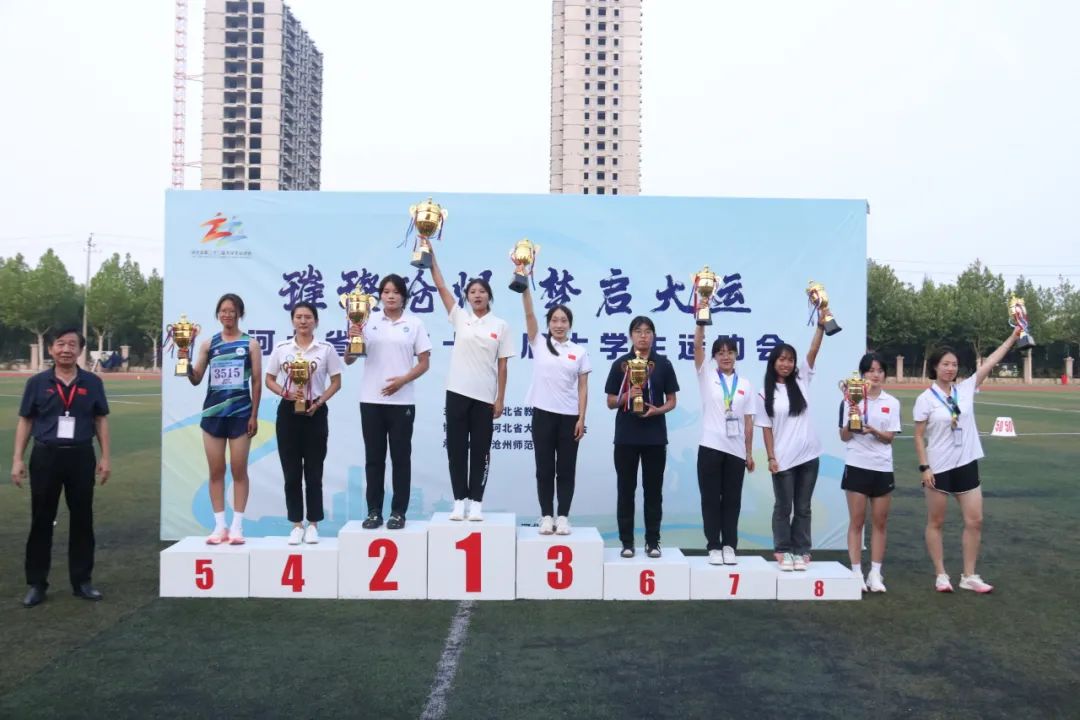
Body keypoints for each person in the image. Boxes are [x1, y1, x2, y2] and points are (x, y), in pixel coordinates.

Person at [913, 328, 1021, 594]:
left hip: (967, 462)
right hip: (938, 466)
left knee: (975, 521)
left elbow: (991, 361)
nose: (950, 368)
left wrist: (1013, 337)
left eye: (954, 364)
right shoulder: (925, 399)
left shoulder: (965, 388)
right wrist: (925, 467)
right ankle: (941, 574)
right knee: (936, 522)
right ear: (935, 367)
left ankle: (969, 575)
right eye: (945, 364)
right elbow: (918, 436)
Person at [11, 328, 111, 607]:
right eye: (61, 344)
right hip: (45, 457)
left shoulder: (92, 382)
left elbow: (100, 419)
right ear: (51, 349)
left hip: (81, 456)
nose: (66, 349)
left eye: (72, 344)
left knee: (82, 520)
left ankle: (82, 581)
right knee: (41, 520)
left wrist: (105, 457)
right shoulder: (36, 383)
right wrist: (17, 458)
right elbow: (26, 420)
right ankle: (36, 584)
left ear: (80, 350)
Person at [429, 247, 514, 521]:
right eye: (472, 291)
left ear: (490, 296)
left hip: (484, 397)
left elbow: (503, 366)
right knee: (456, 450)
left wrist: (500, 399)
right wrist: (430, 253)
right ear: (466, 296)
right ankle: (459, 501)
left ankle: (476, 501)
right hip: (456, 392)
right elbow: (441, 285)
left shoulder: (500, 326)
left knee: (480, 450)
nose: (477, 295)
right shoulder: (460, 318)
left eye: (482, 291)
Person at [346, 274, 432, 530]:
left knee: (401, 459)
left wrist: (403, 380)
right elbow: (349, 360)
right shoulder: (367, 320)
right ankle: (374, 511)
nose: (391, 296)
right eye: (386, 291)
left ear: (404, 296)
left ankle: (398, 512)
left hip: (402, 402)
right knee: (374, 459)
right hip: (371, 400)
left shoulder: (414, 323)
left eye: (396, 292)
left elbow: (424, 363)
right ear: (379, 296)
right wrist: (353, 339)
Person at [266, 302, 343, 544]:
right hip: (288, 412)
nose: (303, 321)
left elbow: (336, 382)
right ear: (292, 321)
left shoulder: (326, 349)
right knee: (291, 473)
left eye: (308, 317)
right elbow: (269, 379)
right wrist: (285, 393)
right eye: (298, 317)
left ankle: (313, 524)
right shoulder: (282, 348)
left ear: (316, 322)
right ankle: (296, 524)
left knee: (314, 472)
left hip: (315, 412)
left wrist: (319, 402)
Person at [187, 293, 262, 545]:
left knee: (239, 470)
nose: (227, 314)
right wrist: (184, 360)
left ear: (240, 313)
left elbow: (257, 382)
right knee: (216, 471)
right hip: (213, 415)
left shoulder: (251, 345)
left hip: (240, 415)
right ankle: (220, 526)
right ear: (218, 314)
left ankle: (237, 526)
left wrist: (254, 415)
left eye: (231, 310)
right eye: (223, 310)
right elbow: (197, 377)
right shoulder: (209, 344)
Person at [604, 316, 679, 558]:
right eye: (638, 331)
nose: (643, 336)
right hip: (626, 437)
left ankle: (653, 542)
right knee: (625, 491)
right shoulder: (621, 364)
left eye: (647, 331)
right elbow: (610, 401)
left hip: (655, 438)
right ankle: (627, 542)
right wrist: (626, 396)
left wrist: (658, 410)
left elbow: (672, 401)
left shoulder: (663, 364)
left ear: (653, 336)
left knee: (653, 492)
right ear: (631, 335)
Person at [755, 318, 826, 571]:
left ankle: (801, 549)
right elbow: (766, 428)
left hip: (809, 456)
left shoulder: (802, 380)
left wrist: (820, 327)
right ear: (773, 362)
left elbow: (813, 350)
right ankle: (783, 549)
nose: (786, 364)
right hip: (783, 459)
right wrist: (771, 457)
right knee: (784, 507)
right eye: (782, 359)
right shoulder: (764, 392)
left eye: (790, 360)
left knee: (804, 507)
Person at [521, 284, 590, 535]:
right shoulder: (539, 343)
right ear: (548, 323)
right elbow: (529, 314)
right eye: (554, 320)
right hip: (543, 415)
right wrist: (524, 286)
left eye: (563, 320)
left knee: (566, 469)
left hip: (570, 417)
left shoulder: (579, 352)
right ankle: (546, 516)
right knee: (544, 469)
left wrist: (581, 418)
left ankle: (563, 517)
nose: (559, 325)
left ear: (570, 324)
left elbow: (583, 387)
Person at [839, 352, 901, 592]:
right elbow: (844, 436)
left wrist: (873, 430)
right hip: (857, 464)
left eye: (880, 370)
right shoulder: (851, 399)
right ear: (862, 374)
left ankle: (875, 574)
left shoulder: (891, 402)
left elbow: (889, 438)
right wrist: (852, 420)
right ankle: (856, 572)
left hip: (882, 467)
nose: (875, 375)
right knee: (857, 521)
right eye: (870, 371)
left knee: (880, 522)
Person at [694, 324, 755, 566]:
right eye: (720, 353)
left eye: (730, 352)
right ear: (714, 357)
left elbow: (748, 422)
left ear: (736, 355)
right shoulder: (707, 377)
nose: (726, 356)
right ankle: (713, 545)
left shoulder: (745, 384)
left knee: (732, 500)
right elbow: (697, 346)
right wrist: (701, 322)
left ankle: (729, 545)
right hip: (710, 447)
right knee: (710, 499)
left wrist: (749, 452)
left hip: (736, 452)